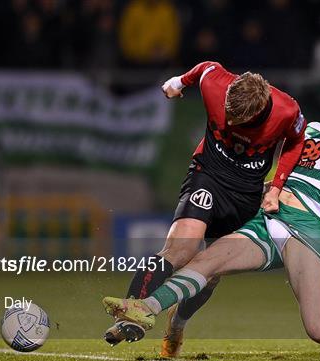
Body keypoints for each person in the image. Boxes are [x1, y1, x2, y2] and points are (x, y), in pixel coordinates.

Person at [103, 61, 320, 359]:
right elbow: (283, 159)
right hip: (267, 219)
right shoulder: (310, 130)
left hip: (305, 229)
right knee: (206, 262)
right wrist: (273, 188)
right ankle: (145, 309)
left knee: (319, 330)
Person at [103, 60, 306, 346]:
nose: (231, 123)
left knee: (210, 271)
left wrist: (276, 187)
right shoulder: (215, 84)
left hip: (245, 194)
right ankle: (129, 315)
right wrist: (178, 82)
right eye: (228, 115)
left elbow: (297, 142)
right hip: (206, 175)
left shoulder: (287, 110)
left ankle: (177, 324)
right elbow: (203, 68)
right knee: (180, 247)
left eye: (240, 121)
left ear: (260, 111)